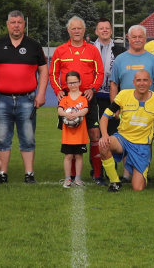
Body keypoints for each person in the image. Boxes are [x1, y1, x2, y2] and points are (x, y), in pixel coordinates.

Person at [0, 10, 48, 184]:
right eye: (13, 22)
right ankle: (2, 173)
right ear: (7, 25)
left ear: (24, 25)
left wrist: (41, 93)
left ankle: (29, 173)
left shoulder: (34, 45)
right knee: (2, 137)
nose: (16, 25)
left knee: (27, 137)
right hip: (2, 99)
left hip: (27, 99)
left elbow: (43, 70)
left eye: (19, 22)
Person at [50, 17, 105, 182]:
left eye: (79, 28)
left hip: (88, 98)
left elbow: (100, 73)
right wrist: (58, 90)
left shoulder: (93, 50)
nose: (76, 31)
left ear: (84, 30)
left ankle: (97, 174)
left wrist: (93, 89)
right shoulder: (60, 50)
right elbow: (53, 73)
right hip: (68, 99)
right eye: (73, 28)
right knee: (72, 134)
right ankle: (72, 176)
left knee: (95, 134)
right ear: (68, 30)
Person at [97, 69, 154, 192]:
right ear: (133, 82)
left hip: (142, 146)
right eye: (139, 80)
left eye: (145, 80)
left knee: (138, 188)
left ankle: (141, 171)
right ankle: (114, 182)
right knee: (104, 145)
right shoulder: (124, 95)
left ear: (150, 82)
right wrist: (104, 135)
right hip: (122, 139)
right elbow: (104, 117)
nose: (142, 83)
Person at [92, 18, 125, 139]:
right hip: (93, 97)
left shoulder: (121, 51)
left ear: (111, 31)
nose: (104, 30)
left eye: (107, 28)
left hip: (112, 97)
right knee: (94, 133)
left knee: (111, 132)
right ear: (96, 31)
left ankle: (112, 157)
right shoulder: (89, 49)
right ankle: (94, 158)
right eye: (101, 28)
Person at [110, 25, 154, 94]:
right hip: (125, 103)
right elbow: (113, 85)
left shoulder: (152, 59)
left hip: (148, 103)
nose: (137, 40)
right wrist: (114, 104)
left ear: (145, 39)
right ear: (129, 39)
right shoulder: (119, 59)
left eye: (140, 37)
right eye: (134, 37)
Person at [58, 71, 89, 188]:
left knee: (79, 156)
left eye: (75, 82)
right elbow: (60, 110)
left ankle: (78, 179)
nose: (73, 85)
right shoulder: (65, 98)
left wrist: (76, 114)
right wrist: (66, 115)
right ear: (66, 84)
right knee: (68, 156)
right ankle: (67, 179)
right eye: (70, 83)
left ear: (80, 82)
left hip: (80, 134)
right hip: (68, 135)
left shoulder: (83, 98)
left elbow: (85, 110)